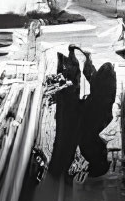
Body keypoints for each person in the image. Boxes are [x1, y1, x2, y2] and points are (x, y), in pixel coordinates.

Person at [75, 51, 117, 177]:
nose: (106, 153)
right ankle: (88, 60)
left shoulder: (89, 152)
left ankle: (88, 60)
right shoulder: (88, 152)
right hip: (95, 113)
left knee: (95, 80)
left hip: (94, 113)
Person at [46, 46, 83, 179]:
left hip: (68, 102)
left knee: (64, 136)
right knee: (65, 136)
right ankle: (58, 169)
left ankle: (57, 169)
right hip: (68, 102)